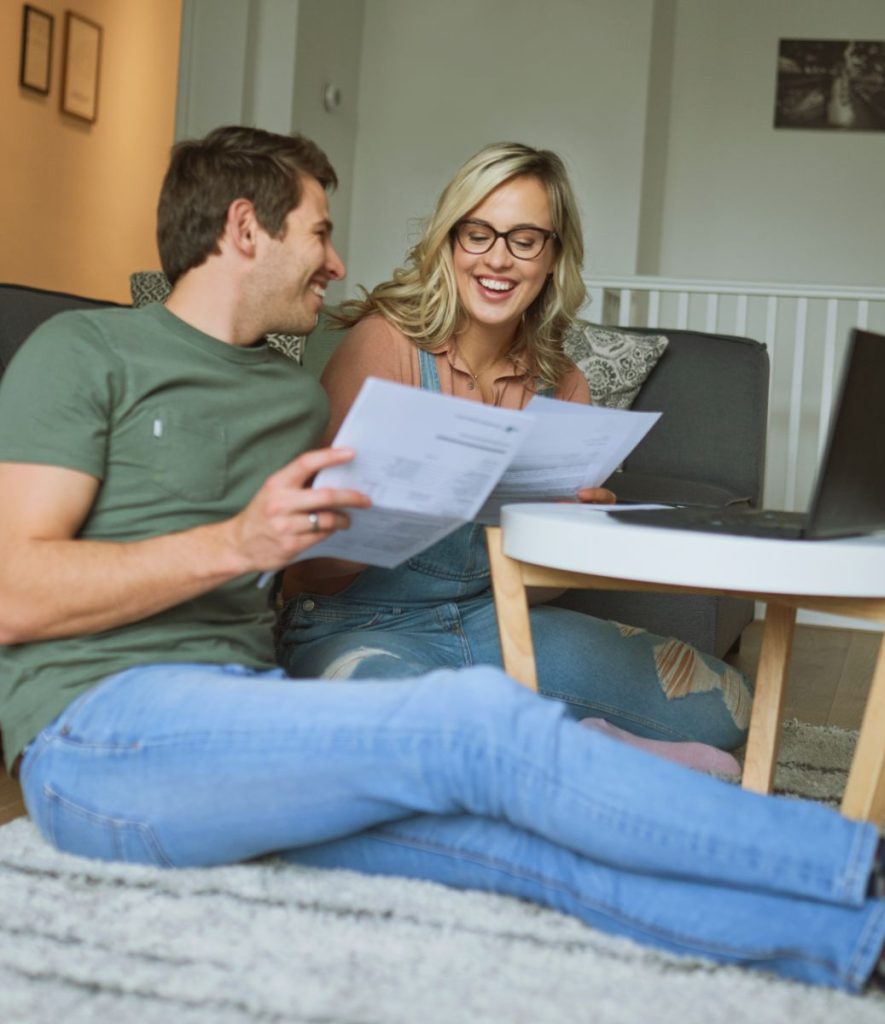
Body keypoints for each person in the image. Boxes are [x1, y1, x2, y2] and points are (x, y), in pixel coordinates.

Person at [0, 125, 885, 1024]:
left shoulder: (289, 396)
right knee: (479, 725)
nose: (337, 259)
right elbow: (12, 594)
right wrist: (241, 543)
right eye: (319, 230)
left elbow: (344, 538)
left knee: (525, 847)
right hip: (100, 735)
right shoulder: (87, 349)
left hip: (242, 721)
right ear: (242, 227)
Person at [275, 141, 752, 773]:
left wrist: (574, 537)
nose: (498, 258)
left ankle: (530, 745)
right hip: (354, 621)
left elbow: (538, 592)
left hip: (493, 620)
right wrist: (398, 505)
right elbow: (308, 570)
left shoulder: (565, 382)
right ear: (450, 242)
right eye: (479, 234)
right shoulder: (384, 345)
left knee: (726, 707)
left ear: (553, 257)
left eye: (526, 239)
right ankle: (571, 752)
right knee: (396, 725)